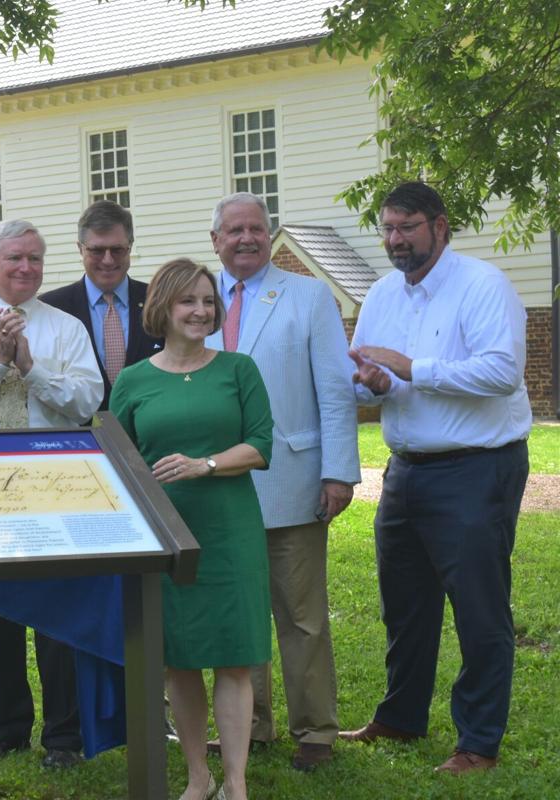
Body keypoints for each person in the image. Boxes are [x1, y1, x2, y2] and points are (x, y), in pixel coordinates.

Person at [341, 181, 531, 775]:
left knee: (479, 610)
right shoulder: (381, 293)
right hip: (404, 472)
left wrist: (410, 368)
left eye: (407, 227)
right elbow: (362, 373)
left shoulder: (483, 285)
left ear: (440, 227)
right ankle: (401, 718)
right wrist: (375, 383)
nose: (395, 240)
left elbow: (501, 372)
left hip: (476, 469)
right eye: (388, 229)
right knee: (405, 605)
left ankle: (478, 742)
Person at [0, 219, 103, 769]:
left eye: (34, 258)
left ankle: (64, 737)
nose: (26, 268)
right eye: (14, 258)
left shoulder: (67, 329)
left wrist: (30, 367)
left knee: (57, 613)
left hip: (54, 484)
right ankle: (6, 728)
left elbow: (86, 403)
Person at [204, 191, 360, 771]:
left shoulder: (308, 296)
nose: (246, 238)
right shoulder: (196, 300)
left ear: (268, 235)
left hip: (291, 479)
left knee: (301, 615)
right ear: (215, 240)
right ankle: (251, 725)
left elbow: (335, 391)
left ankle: (316, 730)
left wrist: (338, 471)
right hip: (218, 487)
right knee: (236, 609)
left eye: (256, 228)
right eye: (234, 230)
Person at [110, 257, 273, 800]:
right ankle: (198, 777)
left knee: (234, 658)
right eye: (189, 301)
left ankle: (236, 784)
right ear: (163, 307)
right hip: (167, 537)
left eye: (208, 301)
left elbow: (260, 445)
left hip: (230, 533)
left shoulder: (239, 370)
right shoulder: (132, 381)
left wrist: (206, 464)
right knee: (179, 661)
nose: (201, 311)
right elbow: (120, 462)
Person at [39, 200, 164, 410]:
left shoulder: (159, 300)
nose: (108, 260)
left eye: (117, 250)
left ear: (130, 246)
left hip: (149, 426)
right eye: (97, 251)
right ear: (80, 249)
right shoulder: (51, 308)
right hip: (80, 428)